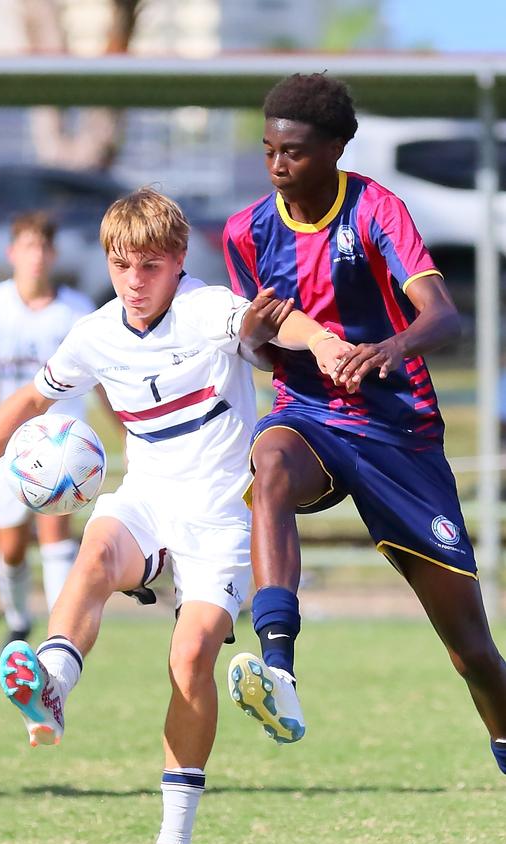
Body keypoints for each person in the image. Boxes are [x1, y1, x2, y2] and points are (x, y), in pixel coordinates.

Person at [0, 188, 342, 844]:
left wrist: (324, 341)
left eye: (151, 266)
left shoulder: (206, 309)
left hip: (222, 520)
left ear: (178, 263)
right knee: (95, 551)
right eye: (122, 264)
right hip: (147, 502)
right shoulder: (96, 332)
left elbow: (275, 325)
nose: (135, 280)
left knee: (190, 655)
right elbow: (24, 405)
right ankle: (52, 685)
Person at [222, 72, 506, 778]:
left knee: (471, 650)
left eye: (293, 151)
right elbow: (260, 351)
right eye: (268, 152)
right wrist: (255, 338)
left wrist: (391, 347)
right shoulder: (246, 231)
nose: (278, 166)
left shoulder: (377, 209)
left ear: (337, 148)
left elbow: (442, 314)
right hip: (309, 416)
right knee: (272, 468)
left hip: (398, 434)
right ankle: (279, 666)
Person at [0, 211, 95, 648]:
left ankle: (59, 633)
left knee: (55, 535)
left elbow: (101, 378)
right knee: (11, 547)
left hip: (65, 444)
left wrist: (126, 428)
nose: (35, 256)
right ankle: (17, 620)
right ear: (13, 252)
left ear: (52, 254)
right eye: (27, 246)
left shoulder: (76, 311)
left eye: (43, 247)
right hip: (9, 444)